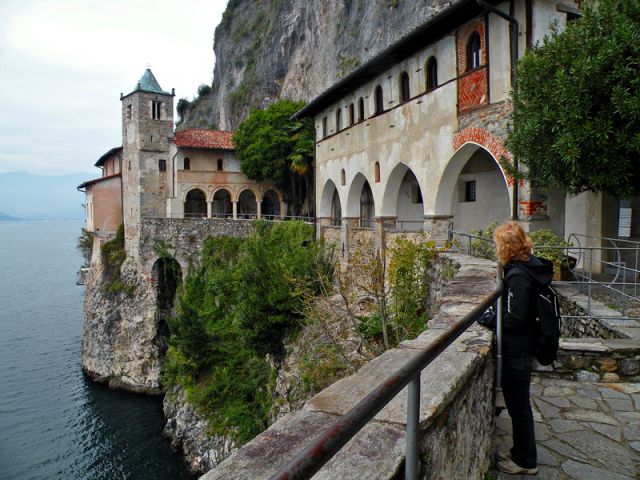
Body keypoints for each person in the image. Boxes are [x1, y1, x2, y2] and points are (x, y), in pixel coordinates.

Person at [493, 221, 553, 476]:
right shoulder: (530, 266)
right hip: (526, 345)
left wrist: (490, 320)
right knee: (519, 404)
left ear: (506, 247)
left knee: (518, 406)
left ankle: (526, 462)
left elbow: (515, 319)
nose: (496, 248)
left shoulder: (517, 276)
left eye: (498, 244)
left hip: (517, 349)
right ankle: (520, 452)